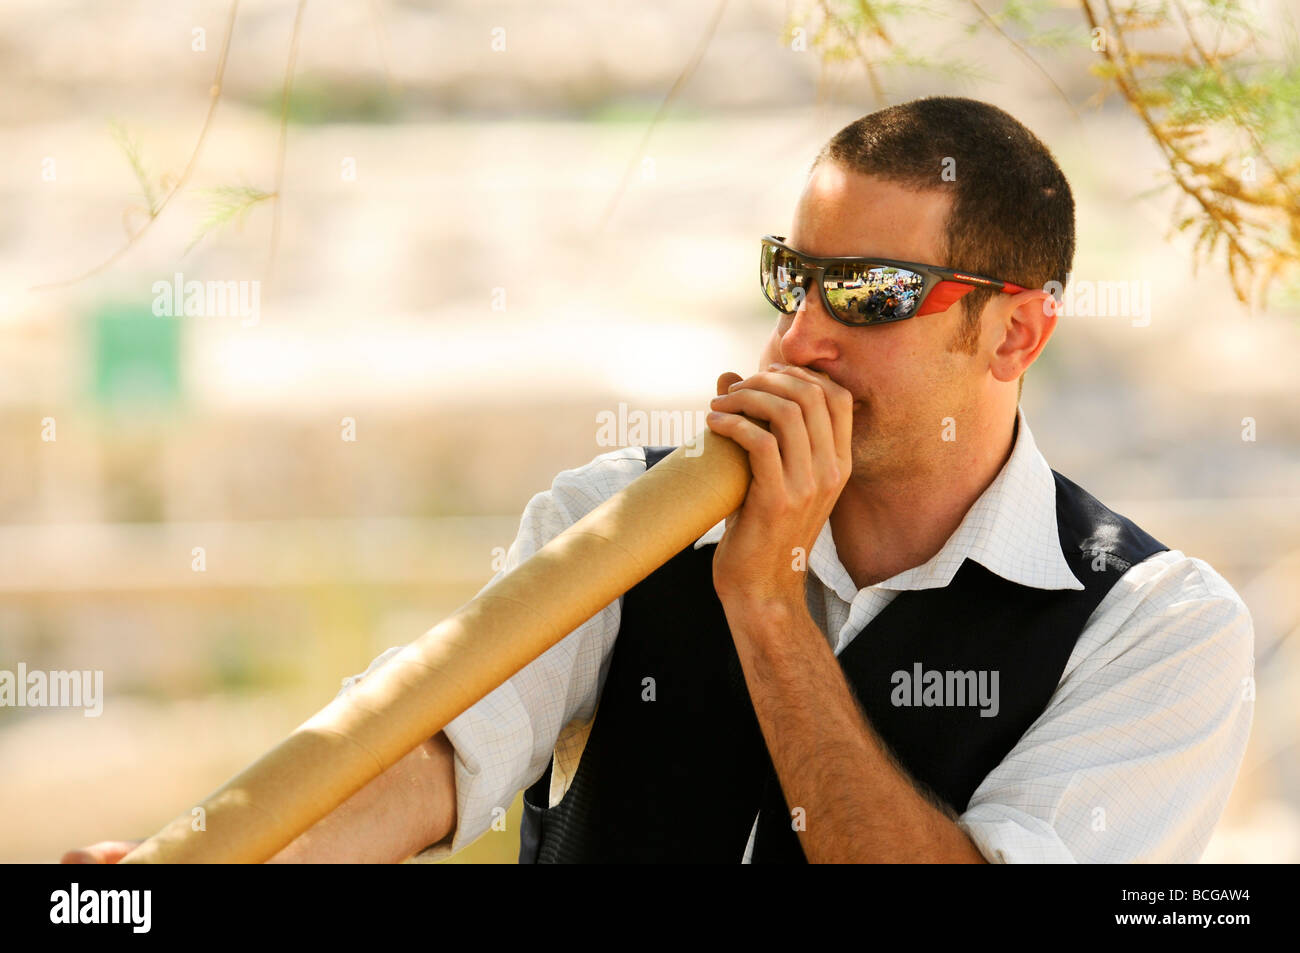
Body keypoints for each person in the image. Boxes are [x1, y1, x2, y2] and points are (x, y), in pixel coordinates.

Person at [65, 96, 1254, 865]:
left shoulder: (1156, 628)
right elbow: (437, 757)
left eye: (871, 293)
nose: (802, 337)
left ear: (1016, 336)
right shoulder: (615, 514)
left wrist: (767, 604)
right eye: (794, 275)